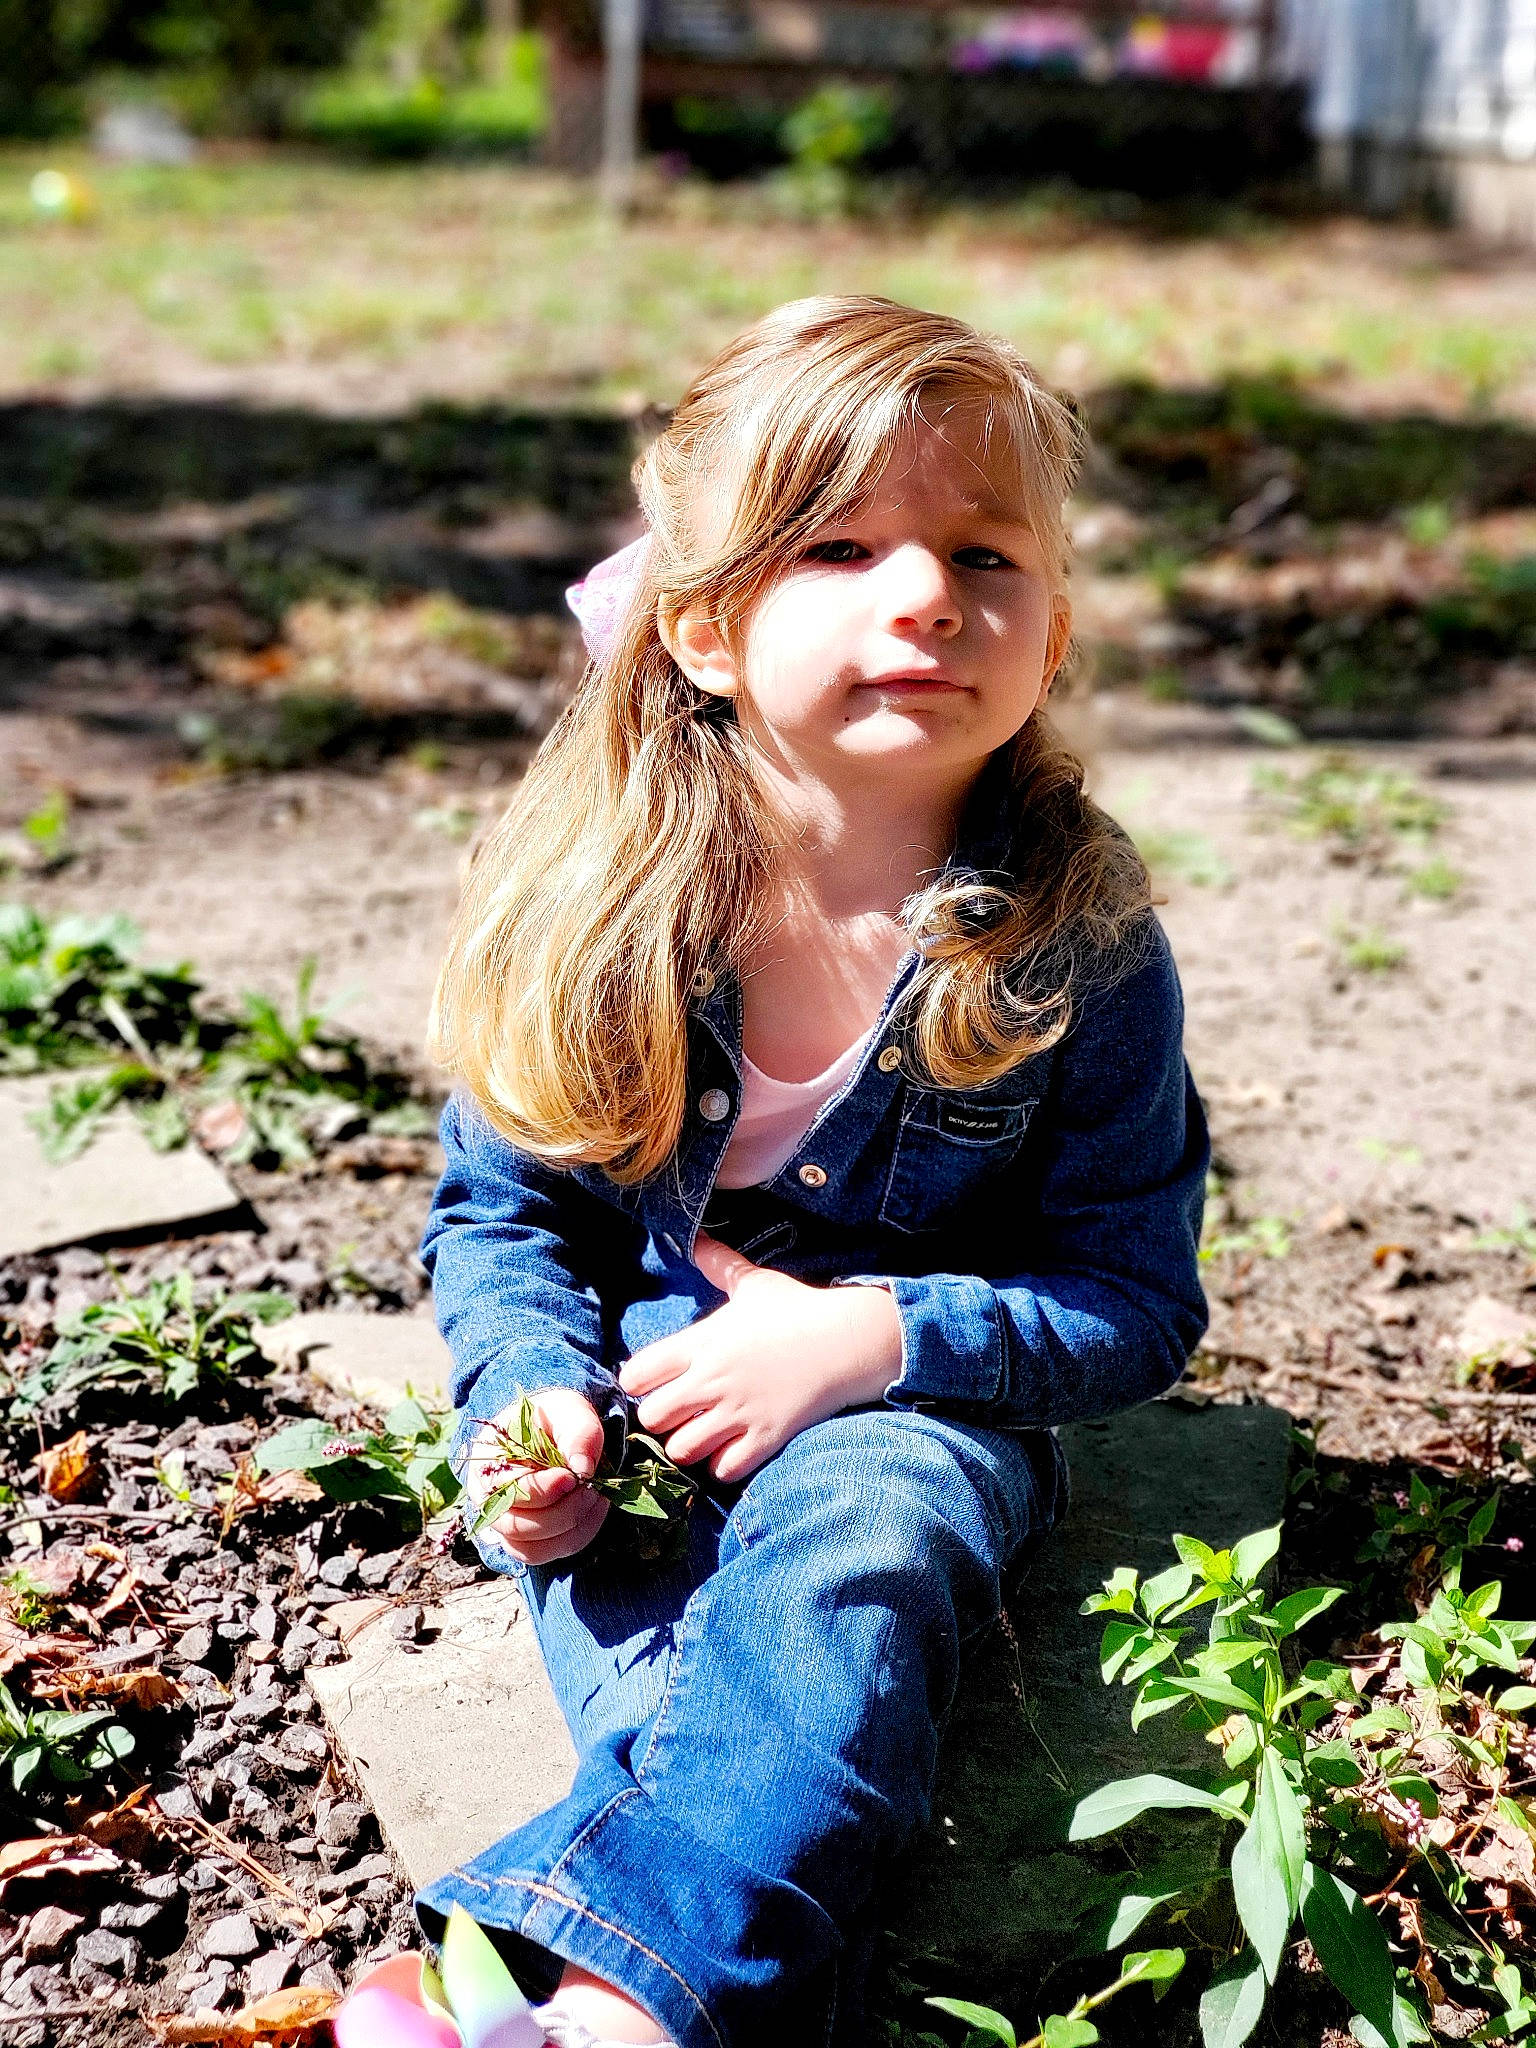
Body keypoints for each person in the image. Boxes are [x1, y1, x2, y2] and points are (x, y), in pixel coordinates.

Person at [411, 295, 1209, 2048]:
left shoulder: (1081, 945)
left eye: (983, 553)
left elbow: (1138, 1301)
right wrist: (533, 1405)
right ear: (701, 628)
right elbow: (504, 1212)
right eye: (840, 547)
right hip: (648, 1381)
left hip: (911, 1408)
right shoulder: (606, 904)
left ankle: (605, 2009)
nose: (923, 596)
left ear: (1053, 634)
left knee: (863, 1544)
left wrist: (867, 1343)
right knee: (673, 1605)